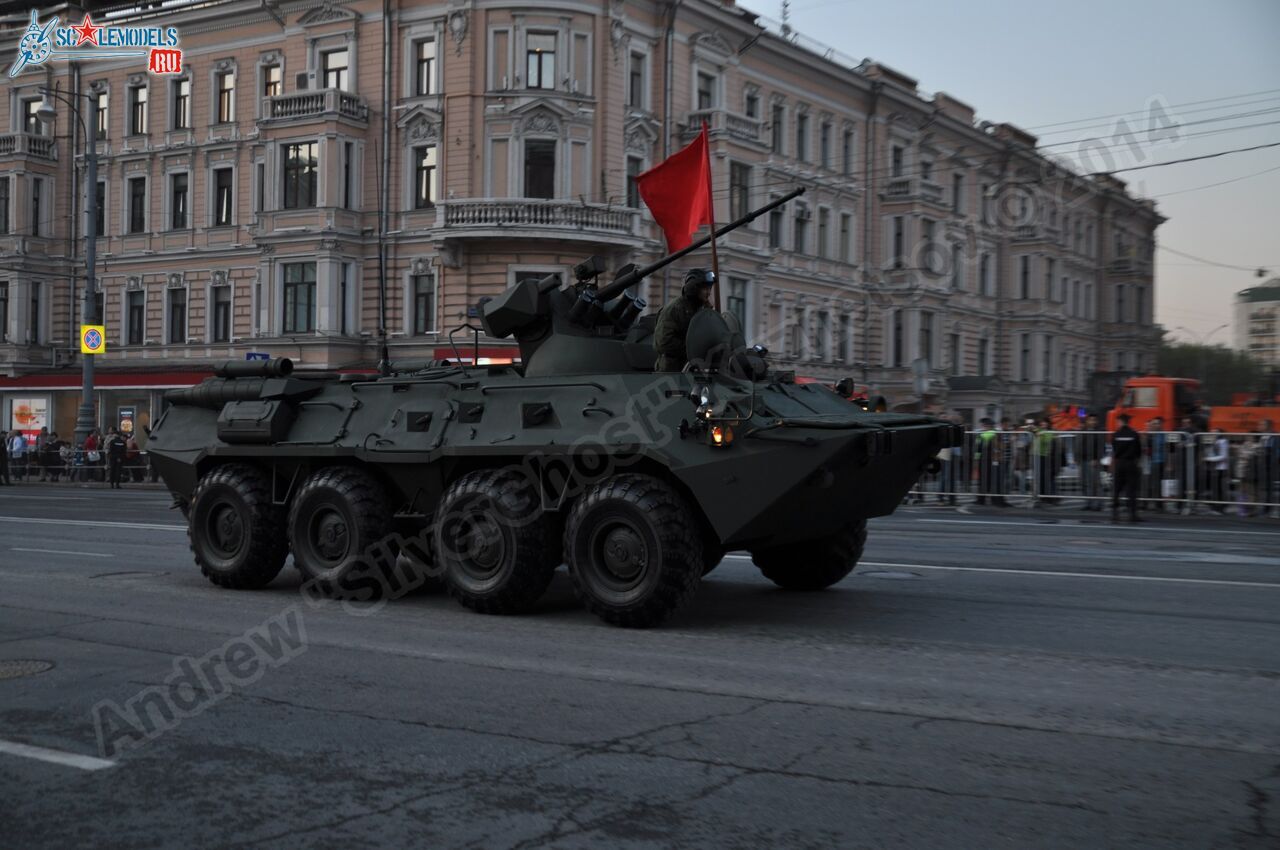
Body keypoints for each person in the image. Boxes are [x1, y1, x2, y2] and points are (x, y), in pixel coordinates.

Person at [654, 268, 715, 372]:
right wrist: (692, 349)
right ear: (693, 288)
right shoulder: (674, 308)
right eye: (705, 289)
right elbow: (663, 342)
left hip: (692, 369)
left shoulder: (701, 310)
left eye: (710, 288)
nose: (709, 292)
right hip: (671, 372)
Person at [1110, 412, 1142, 523]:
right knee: (1131, 490)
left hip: (1119, 463)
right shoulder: (1134, 434)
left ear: (1120, 421)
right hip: (1131, 463)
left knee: (1117, 489)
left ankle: (1115, 514)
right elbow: (1138, 450)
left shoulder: (1116, 434)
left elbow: (1114, 449)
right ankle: (1132, 514)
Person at [1142, 417, 1167, 512]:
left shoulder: (1163, 435)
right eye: (1154, 424)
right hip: (1152, 461)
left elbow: (1168, 449)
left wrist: (1169, 462)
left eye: (1157, 423)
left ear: (1161, 425)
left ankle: (1159, 504)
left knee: (1158, 484)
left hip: (1160, 461)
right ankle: (1154, 504)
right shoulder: (1150, 435)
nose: (1155, 425)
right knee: (1153, 484)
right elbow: (1146, 447)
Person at [1203, 428, 1231, 514]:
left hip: (1221, 468)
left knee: (1220, 489)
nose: (1212, 434)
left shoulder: (1223, 442)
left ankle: (1220, 508)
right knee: (1215, 489)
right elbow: (1211, 453)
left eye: (1214, 433)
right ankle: (1216, 507)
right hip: (1215, 468)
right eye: (1211, 433)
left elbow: (1223, 456)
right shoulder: (1214, 442)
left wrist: (1208, 458)